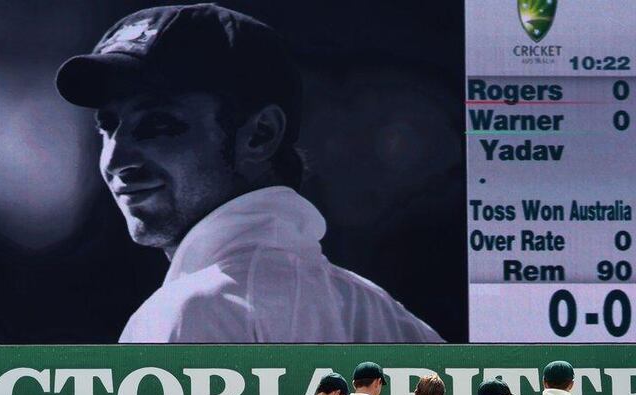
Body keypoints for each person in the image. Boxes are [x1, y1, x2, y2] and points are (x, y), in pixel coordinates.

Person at [55, 3, 441, 344]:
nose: (115, 158)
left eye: (157, 124)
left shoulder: (190, 311)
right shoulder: (394, 321)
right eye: (107, 127)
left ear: (260, 135)